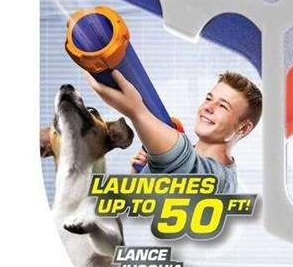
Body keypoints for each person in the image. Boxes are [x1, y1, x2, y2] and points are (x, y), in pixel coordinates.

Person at [88, 68, 261, 195]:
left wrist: (136, 111)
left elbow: (187, 165)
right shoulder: (183, 157)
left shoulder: (221, 182)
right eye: (209, 98)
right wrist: (142, 175)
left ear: (243, 128)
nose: (208, 107)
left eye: (223, 106)